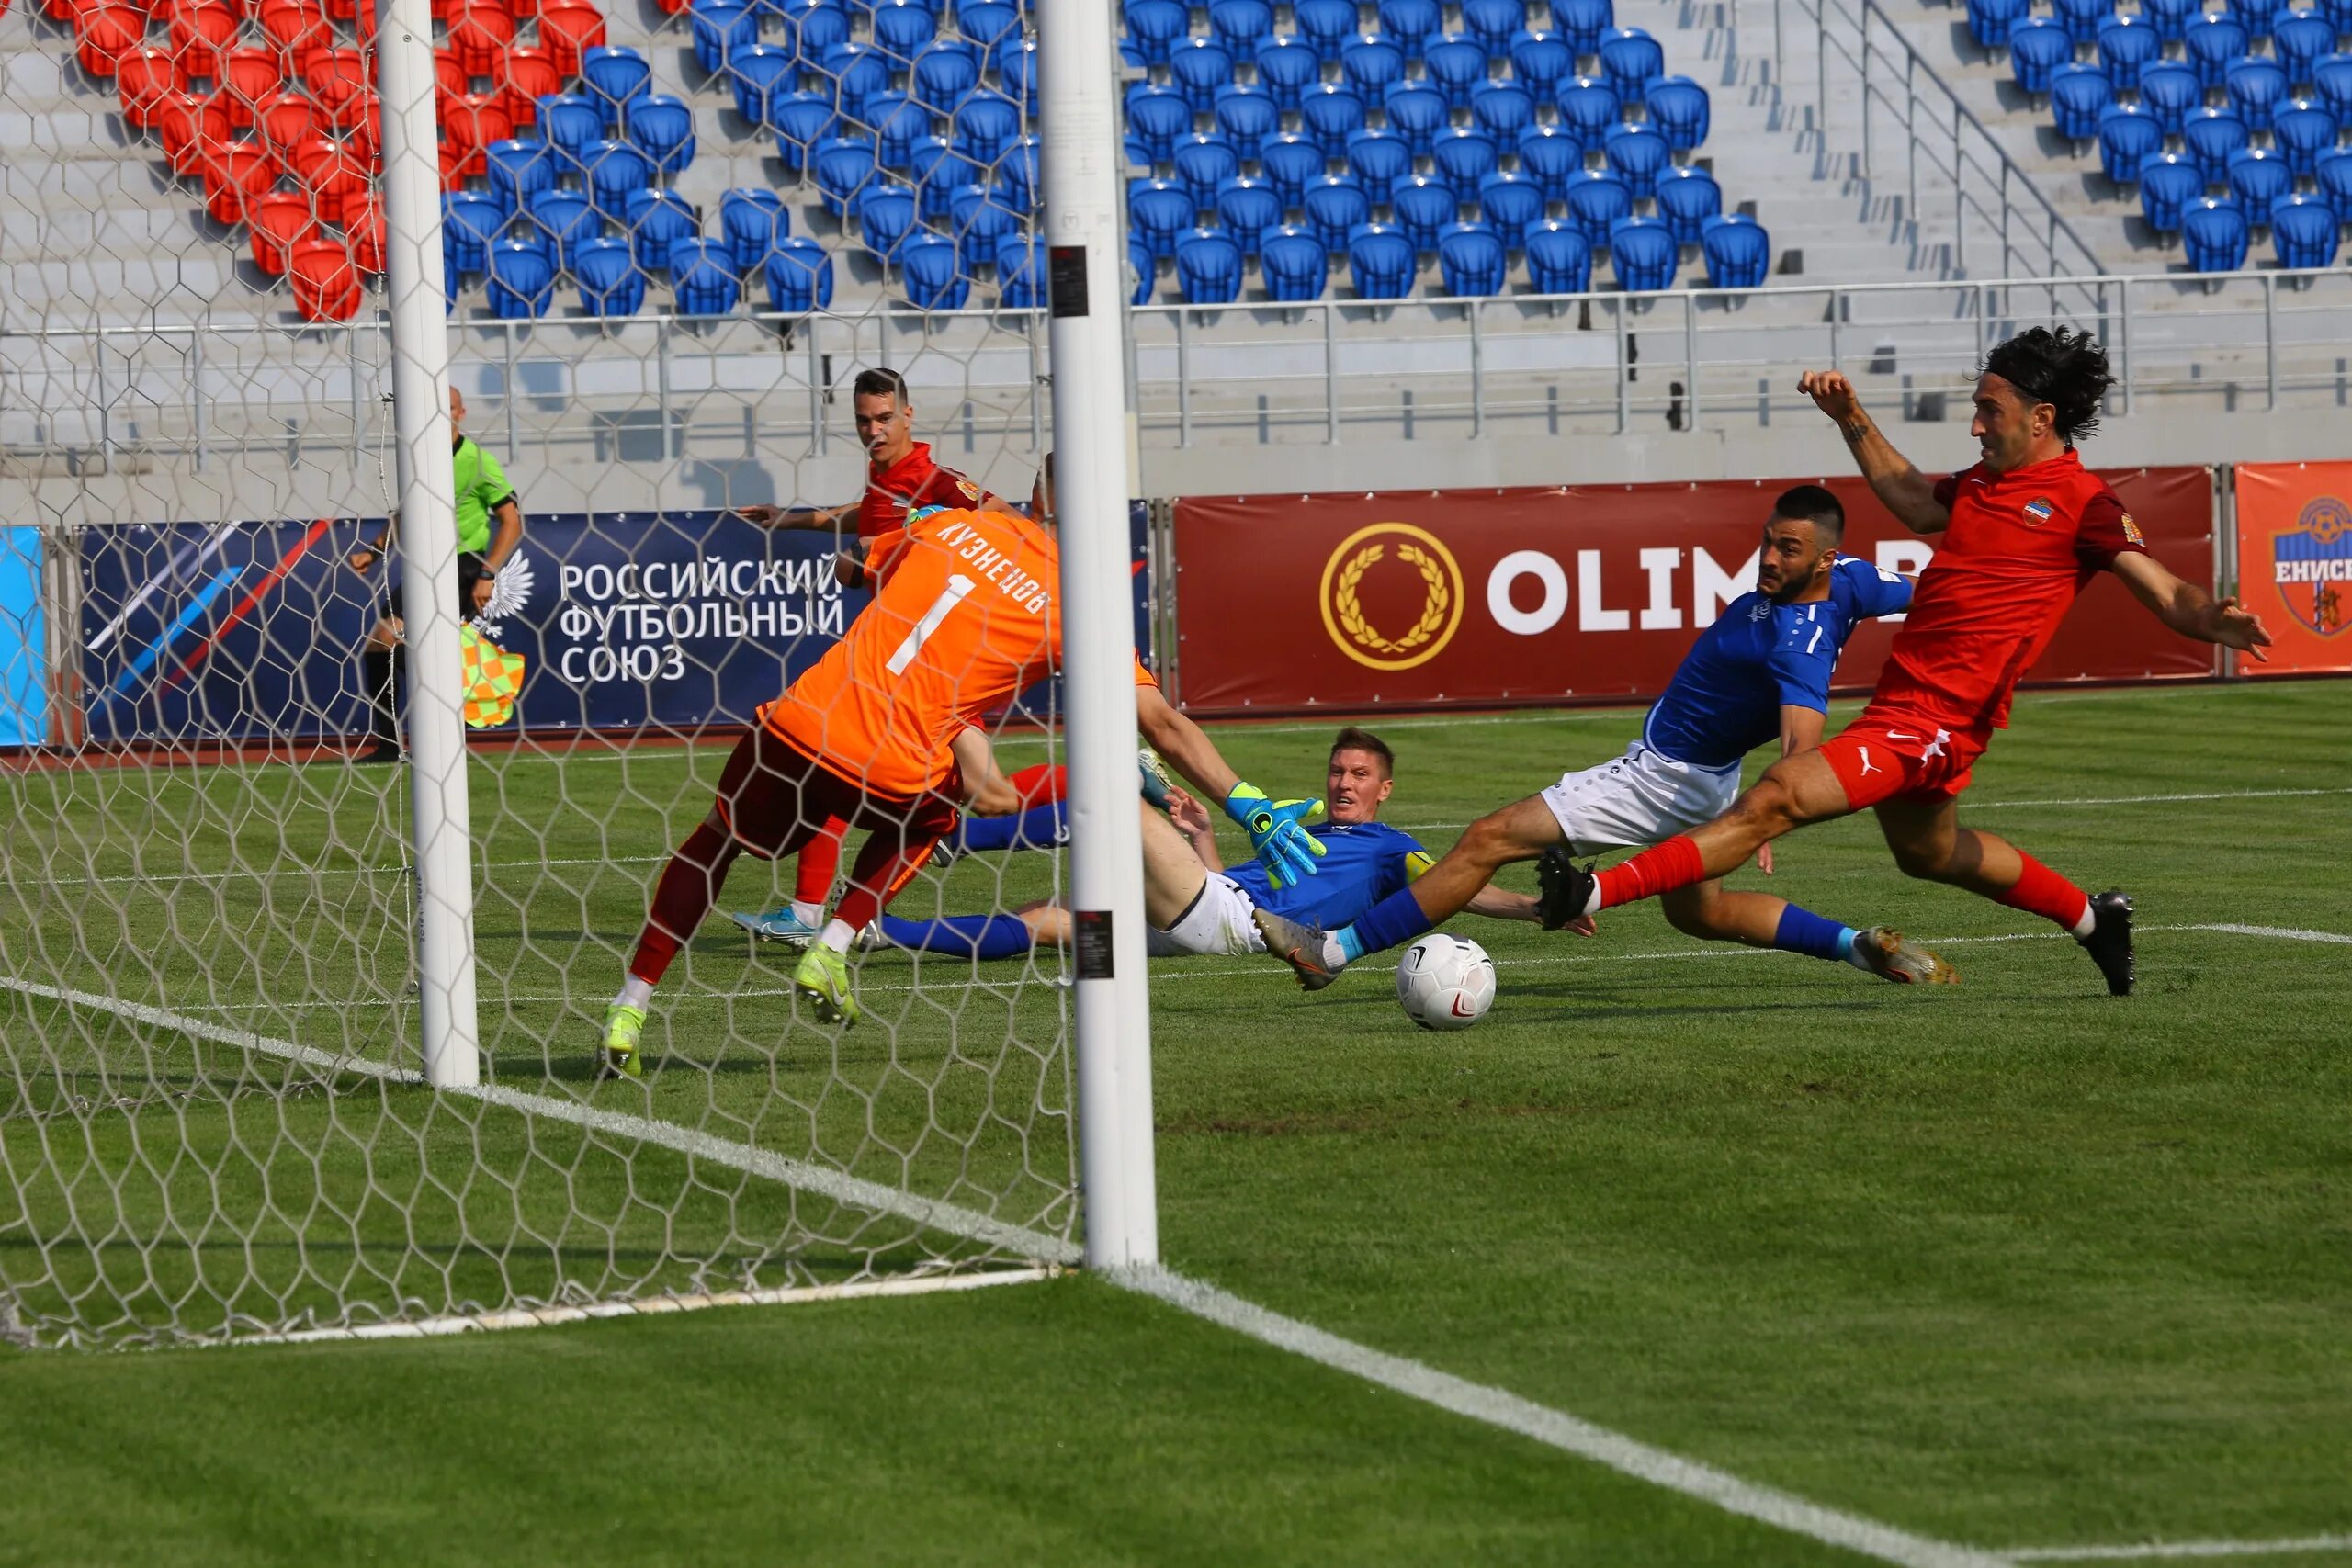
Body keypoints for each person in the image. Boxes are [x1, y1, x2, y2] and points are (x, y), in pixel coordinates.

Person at [1540, 328, 2274, 997]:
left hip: (1939, 720)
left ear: (2041, 418)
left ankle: (1592, 893)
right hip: (1906, 707)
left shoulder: (2083, 503)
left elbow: (2167, 590)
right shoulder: (1985, 484)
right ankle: (2091, 917)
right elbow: (1918, 503)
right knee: (1931, 852)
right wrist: (1850, 417)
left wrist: (2211, 617)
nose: (1976, 423)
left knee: (1776, 797)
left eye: (1990, 409)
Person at [602, 467, 1326, 1077]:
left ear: (1036, 501)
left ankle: (630, 1006)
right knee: (942, 815)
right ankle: (833, 944)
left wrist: (877, 537)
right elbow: (1163, 723)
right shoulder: (1082, 606)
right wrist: (1248, 804)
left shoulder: (947, 527)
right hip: (891, 760)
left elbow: (857, 565)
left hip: (800, 717)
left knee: (712, 844)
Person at [1254, 484, 1953, 990]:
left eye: (1788, 548)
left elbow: (1803, 743)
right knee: (1698, 912)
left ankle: (1333, 951)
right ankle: (1856, 948)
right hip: (1710, 780)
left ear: (1823, 559)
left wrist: (1767, 815)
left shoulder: (1797, 643)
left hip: (1663, 777)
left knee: (1487, 837)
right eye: (1769, 538)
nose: (1768, 556)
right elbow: (1938, 589)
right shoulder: (1854, 580)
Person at [731, 367, 1015, 948]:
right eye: (864, 421)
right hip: (894, 652)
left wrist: (890, 551)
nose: (874, 430)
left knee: (984, 794)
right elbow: (866, 517)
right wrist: (794, 521)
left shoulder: (934, 478)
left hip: (929, 655)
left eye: (885, 419)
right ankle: (815, 911)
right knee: (858, 768)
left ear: (909, 415)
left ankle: (1106, 785)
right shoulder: (883, 474)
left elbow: (1004, 521)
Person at [876, 728, 1540, 963]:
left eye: (1359, 774)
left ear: (1385, 788)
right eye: (1338, 770)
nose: (1343, 782)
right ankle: (884, 933)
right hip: (1197, 915)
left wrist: (1539, 910)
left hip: (1225, 924)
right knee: (1046, 920)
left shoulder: (1392, 848)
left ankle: (948, 840)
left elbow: (1464, 883)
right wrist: (1199, 838)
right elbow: (1233, 881)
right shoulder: (1305, 831)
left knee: (1112, 805)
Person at [346, 385, 525, 762]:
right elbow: (406, 511)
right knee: (383, 645)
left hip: (463, 563)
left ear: (461, 413)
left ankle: (437, 735)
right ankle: (393, 743)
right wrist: (375, 551)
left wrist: (488, 573)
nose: (441, 417)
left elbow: (511, 522)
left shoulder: (478, 462)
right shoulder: (421, 459)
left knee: (403, 640)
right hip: (422, 565)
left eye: (449, 409)